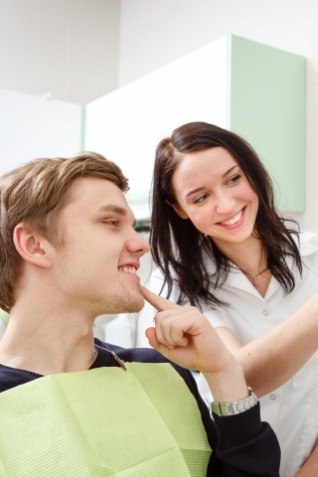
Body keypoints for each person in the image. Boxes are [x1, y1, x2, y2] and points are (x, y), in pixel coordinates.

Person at [0, 152, 280, 477]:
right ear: (34, 244)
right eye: (111, 222)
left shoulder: (159, 371)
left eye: (132, 226)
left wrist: (223, 371)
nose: (140, 244)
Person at [143, 121, 318, 477]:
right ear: (177, 207)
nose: (226, 205)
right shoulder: (175, 286)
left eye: (234, 179)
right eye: (201, 197)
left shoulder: (313, 256)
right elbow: (240, 376)